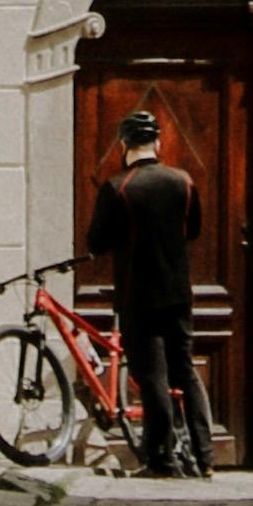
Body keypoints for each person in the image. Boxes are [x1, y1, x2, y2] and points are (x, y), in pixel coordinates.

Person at [85, 103, 211, 476]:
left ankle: (161, 458)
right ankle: (206, 458)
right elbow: (194, 230)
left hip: (138, 294)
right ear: (158, 142)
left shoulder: (117, 187)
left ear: (124, 144)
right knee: (184, 370)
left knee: (153, 375)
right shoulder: (183, 181)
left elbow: (97, 241)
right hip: (177, 292)